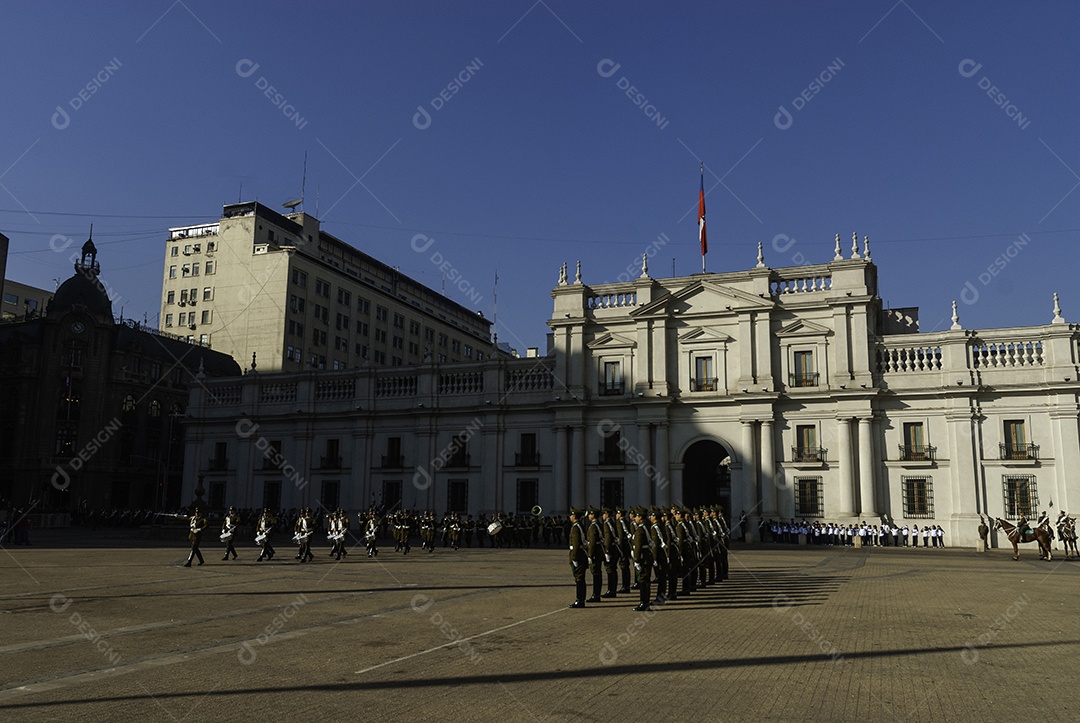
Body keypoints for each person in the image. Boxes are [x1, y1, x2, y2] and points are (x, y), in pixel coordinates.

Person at [631, 507, 652, 611]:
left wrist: (637, 560)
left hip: (643, 558)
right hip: (647, 556)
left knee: (643, 581)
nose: (635, 518)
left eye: (636, 516)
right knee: (645, 580)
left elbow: (638, 546)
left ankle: (644, 603)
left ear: (640, 517)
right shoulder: (646, 527)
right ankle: (645, 602)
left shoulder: (640, 529)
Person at [567, 508, 588, 608]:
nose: (570, 517)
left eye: (571, 515)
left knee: (579, 579)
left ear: (574, 516)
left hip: (578, 555)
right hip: (581, 554)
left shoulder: (575, 527)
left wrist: (574, 558)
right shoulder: (580, 525)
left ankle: (580, 600)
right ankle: (580, 599)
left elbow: (575, 544)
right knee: (580, 578)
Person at [585, 508, 605, 603]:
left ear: (593, 515)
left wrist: (590, 555)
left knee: (596, 574)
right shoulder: (598, 524)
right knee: (597, 573)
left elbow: (592, 542)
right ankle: (596, 594)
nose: (588, 516)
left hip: (595, 553)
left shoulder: (593, 526)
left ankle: (596, 595)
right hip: (598, 551)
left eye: (590, 514)